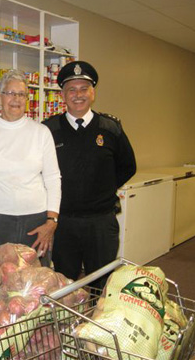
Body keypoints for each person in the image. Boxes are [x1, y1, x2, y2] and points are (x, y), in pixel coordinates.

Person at [43, 60, 137, 289]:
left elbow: (128, 166)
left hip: (101, 223)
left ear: (93, 93)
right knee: (65, 284)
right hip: (64, 223)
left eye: (84, 89)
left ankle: (98, 323)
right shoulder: (48, 130)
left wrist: (102, 188)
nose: (78, 95)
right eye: (71, 90)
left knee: (102, 283)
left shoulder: (110, 128)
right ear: (62, 96)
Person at [0, 69, 61, 264]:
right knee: (0, 281)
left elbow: (53, 178)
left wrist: (51, 221)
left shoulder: (41, 132)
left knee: (38, 282)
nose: (16, 99)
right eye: (10, 93)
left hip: (37, 222)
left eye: (21, 94)